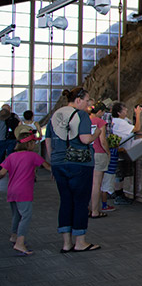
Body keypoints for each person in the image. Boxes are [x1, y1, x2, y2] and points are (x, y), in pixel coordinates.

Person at [45, 87, 102, 253]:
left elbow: (48, 141)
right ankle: (80, 241)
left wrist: (54, 163)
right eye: (86, 101)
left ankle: (66, 243)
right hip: (79, 164)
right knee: (80, 202)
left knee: (65, 201)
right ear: (78, 100)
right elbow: (84, 139)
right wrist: (96, 133)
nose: (88, 105)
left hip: (58, 163)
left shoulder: (55, 115)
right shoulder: (81, 115)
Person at [0, 125, 51, 256]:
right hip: (24, 192)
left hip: (11, 190)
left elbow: (2, 173)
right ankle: (20, 242)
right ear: (29, 144)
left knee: (16, 215)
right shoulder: (32, 156)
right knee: (26, 216)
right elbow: (47, 166)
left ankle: (13, 235)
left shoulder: (11, 156)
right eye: (33, 142)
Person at [110, 102, 142, 205]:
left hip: (119, 149)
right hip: (123, 150)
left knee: (119, 174)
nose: (126, 111)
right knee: (120, 174)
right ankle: (119, 195)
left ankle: (118, 194)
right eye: (124, 110)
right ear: (119, 112)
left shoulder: (117, 121)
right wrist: (138, 114)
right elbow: (136, 129)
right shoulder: (120, 123)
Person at [89, 101, 114, 218]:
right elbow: (103, 140)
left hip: (87, 153)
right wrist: (108, 152)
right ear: (99, 111)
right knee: (96, 183)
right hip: (98, 153)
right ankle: (95, 210)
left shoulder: (85, 120)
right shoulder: (100, 122)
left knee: (89, 183)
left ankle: (88, 208)